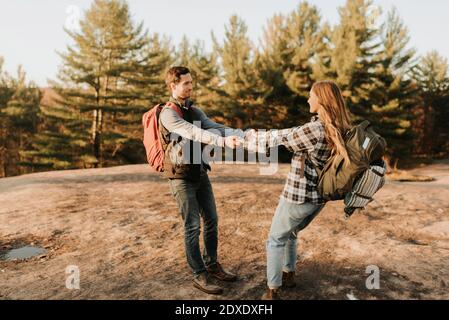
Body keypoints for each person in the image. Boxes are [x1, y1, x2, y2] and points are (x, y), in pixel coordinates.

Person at [246, 81, 352, 300]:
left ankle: (272, 290)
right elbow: (293, 132)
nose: (307, 99)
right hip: (319, 198)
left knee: (275, 238)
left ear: (321, 100)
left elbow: (284, 139)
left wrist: (253, 137)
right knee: (291, 232)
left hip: (299, 195)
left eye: (311, 95)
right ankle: (289, 274)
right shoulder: (341, 127)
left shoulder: (315, 129)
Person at [159, 66, 242, 295]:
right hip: (180, 178)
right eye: (186, 83)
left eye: (191, 82)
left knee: (212, 220)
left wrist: (240, 133)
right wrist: (222, 142)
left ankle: (212, 264)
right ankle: (199, 274)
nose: (190, 86)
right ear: (173, 85)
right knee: (192, 226)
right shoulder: (168, 114)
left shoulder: (195, 111)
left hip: (200, 173)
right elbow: (192, 132)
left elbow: (214, 127)